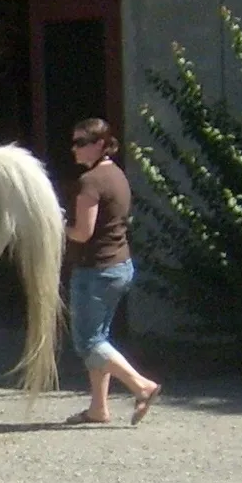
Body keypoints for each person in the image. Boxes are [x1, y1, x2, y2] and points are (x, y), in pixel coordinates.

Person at [61, 117, 161, 426]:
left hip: (96, 272)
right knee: (100, 338)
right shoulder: (117, 175)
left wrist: (56, 224)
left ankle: (142, 386)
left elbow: (82, 232)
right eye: (74, 141)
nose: (74, 148)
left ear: (100, 145)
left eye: (81, 142)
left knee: (89, 343)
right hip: (119, 266)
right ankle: (98, 409)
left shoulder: (90, 182)